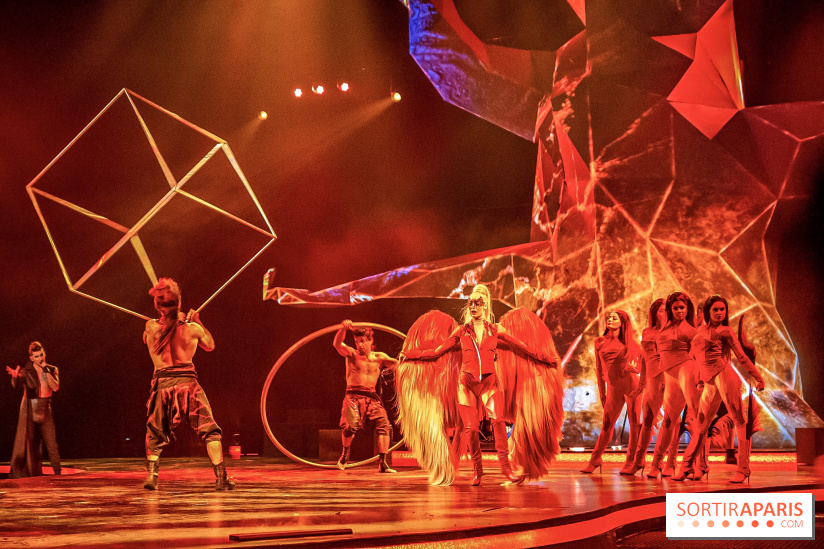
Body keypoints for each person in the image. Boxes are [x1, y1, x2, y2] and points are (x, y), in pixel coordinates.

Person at [401, 284, 558, 486]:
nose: (474, 306)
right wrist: (410, 355)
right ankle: (478, 471)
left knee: (498, 422)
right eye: (471, 303)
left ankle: (506, 469)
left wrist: (545, 359)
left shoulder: (495, 329)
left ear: (485, 305)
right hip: (466, 384)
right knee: (470, 429)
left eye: (478, 303)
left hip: (489, 383)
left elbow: (522, 347)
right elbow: (436, 351)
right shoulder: (462, 331)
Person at [142, 278, 234, 491]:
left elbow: (147, 338)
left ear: (157, 305)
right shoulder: (192, 329)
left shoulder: (150, 327)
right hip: (188, 386)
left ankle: (152, 476)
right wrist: (197, 321)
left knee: (155, 431)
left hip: (163, 386)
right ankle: (221, 477)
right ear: (179, 304)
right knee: (210, 431)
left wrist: (170, 321)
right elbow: (210, 345)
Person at [674, 295, 765, 483]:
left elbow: (741, 357)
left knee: (739, 421)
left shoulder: (726, 331)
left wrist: (757, 377)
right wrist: (699, 379)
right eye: (715, 310)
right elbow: (698, 358)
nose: (719, 313)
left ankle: (743, 468)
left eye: (722, 310)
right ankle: (687, 467)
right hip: (709, 382)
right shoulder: (700, 331)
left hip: (725, 376)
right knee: (700, 425)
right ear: (707, 312)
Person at [647, 291, 700, 479]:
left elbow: (698, 354)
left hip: (686, 371)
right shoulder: (665, 328)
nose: (679, 311)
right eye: (675, 308)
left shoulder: (690, 331)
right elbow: (659, 355)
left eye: (682, 308)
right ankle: (658, 464)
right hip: (669, 376)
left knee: (695, 420)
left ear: (687, 309)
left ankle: (693, 465)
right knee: (669, 421)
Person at [333, 320, 398, 473]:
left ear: (370, 340)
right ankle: (345, 453)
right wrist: (343, 329)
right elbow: (337, 344)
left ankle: (383, 463)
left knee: (384, 425)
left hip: (371, 397)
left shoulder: (379, 357)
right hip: (353, 396)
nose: (359, 345)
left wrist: (411, 360)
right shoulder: (351, 354)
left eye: (362, 341)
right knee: (349, 427)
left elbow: (399, 365)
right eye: (356, 342)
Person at [581, 311, 642, 473]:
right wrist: (602, 392)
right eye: (609, 317)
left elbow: (644, 364)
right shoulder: (599, 342)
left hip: (631, 385)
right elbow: (599, 369)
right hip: (613, 387)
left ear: (622, 323)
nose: (610, 319)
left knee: (635, 423)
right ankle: (595, 459)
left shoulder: (631, 343)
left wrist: (635, 369)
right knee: (607, 424)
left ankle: (632, 461)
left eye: (614, 318)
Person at [6, 341, 61, 478]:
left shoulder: (52, 369)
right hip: (30, 409)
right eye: (36, 356)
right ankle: (26, 473)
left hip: (45, 408)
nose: (40, 358)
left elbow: (55, 388)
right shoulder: (26, 371)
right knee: (28, 443)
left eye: (41, 355)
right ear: (31, 358)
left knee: (52, 444)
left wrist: (46, 370)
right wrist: (14, 377)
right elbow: (17, 386)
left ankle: (58, 475)